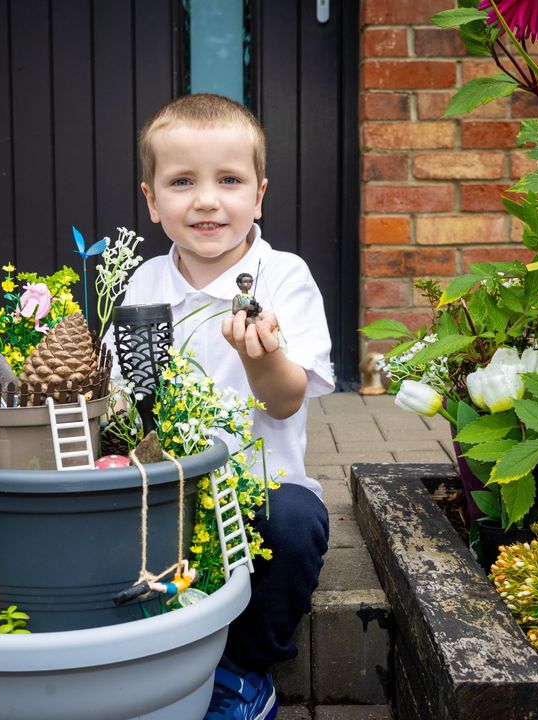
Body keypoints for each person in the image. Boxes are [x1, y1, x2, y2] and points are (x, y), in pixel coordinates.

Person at [116, 92, 334, 720]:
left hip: (260, 488)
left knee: (295, 525)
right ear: (152, 200)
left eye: (229, 181)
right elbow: (121, 401)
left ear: (259, 196)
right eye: (182, 182)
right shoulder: (144, 283)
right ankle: (144, 656)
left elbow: (286, 401)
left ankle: (242, 670)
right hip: (167, 487)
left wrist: (259, 357)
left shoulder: (283, 277)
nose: (207, 200)